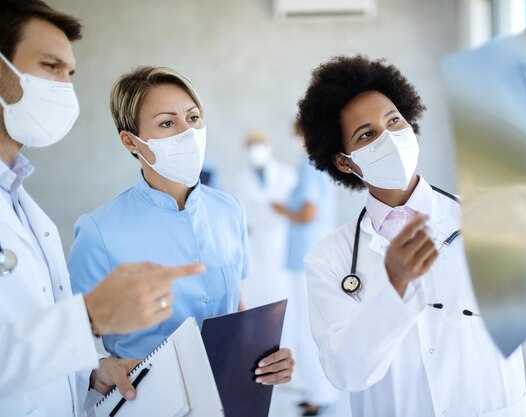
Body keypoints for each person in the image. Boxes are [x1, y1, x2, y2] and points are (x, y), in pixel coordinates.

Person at [296, 55, 526, 417]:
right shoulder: (329, 259)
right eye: (367, 134)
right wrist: (395, 288)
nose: (389, 139)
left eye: (394, 121)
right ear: (344, 161)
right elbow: (345, 373)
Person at [0, 2, 204, 416]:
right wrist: (88, 319)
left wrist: (93, 371)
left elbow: (26, 343)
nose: (64, 86)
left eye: (69, 73)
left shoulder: (24, 208)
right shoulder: (97, 228)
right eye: (50, 66)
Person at [68, 66, 294, 385]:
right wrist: (98, 370)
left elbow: (236, 306)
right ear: (130, 141)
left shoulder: (230, 210)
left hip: (230, 390)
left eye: (193, 117)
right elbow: (66, 341)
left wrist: (266, 356)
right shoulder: (98, 231)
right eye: (166, 122)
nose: (187, 132)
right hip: (151, 398)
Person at [272, 122, 338, 416]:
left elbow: (309, 212)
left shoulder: (310, 165)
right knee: (311, 324)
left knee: (307, 327)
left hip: (306, 258)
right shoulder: (318, 164)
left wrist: (282, 209)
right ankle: (317, 392)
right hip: (311, 255)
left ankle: (320, 396)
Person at [234, 130, 296, 308]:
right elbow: (239, 210)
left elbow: (292, 206)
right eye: (252, 148)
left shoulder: (286, 174)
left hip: (280, 236)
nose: (256, 152)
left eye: (260, 147)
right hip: (254, 239)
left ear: (270, 148)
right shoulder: (240, 178)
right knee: (255, 289)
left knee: (281, 291)